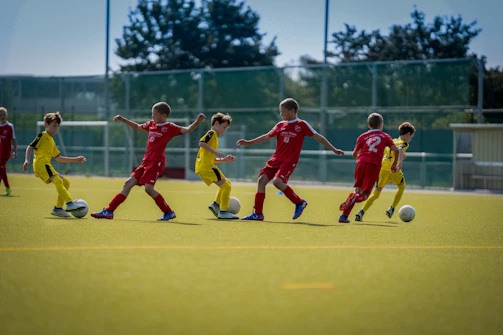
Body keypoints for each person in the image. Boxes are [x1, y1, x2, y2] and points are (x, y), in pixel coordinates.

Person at [91, 102, 205, 221]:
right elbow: (137, 127)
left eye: (155, 115)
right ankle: (109, 211)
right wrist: (123, 119)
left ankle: (169, 212)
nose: (152, 117)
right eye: (152, 114)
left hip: (156, 162)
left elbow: (187, 130)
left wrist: (197, 122)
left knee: (148, 188)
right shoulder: (151, 124)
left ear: (164, 116)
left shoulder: (170, 127)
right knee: (128, 183)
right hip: (145, 162)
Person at [236, 98, 344, 221]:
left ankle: (299, 202)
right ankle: (258, 214)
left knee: (277, 182)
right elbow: (266, 136)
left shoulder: (302, 124)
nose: (281, 114)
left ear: (292, 111)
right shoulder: (280, 125)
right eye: (280, 112)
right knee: (261, 180)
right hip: (276, 159)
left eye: (283, 112)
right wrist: (249, 142)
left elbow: (318, 137)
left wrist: (334, 149)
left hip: (289, 161)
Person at [23, 112, 87, 217]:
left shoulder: (52, 141)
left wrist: (75, 159)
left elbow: (59, 158)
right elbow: (30, 147)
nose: (56, 128)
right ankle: (70, 203)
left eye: (58, 126)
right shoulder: (42, 135)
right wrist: (26, 159)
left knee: (66, 182)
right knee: (57, 180)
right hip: (41, 164)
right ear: (46, 124)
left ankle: (58, 208)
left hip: (46, 165)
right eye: (54, 126)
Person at [338, 113, 399, 223]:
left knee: (357, 191)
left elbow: (354, 154)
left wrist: (359, 158)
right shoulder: (385, 136)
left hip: (361, 163)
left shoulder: (362, 136)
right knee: (365, 195)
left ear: (369, 125)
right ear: (380, 124)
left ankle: (343, 217)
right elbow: (396, 149)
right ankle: (354, 199)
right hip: (373, 165)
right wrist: (394, 164)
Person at [356, 122, 415, 221]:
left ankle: (361, 212)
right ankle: (392, 208)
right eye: (411, 136)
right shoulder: (404, 143)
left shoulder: (393, 140)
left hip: (383, 169)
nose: (410, 139)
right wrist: (400, 162)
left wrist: (402, 155)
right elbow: (400, 149)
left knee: (376, 193)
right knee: (402, 186)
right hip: (393, 169)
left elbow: (388, 150)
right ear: (408, 134)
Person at [196, 112, 239, 220]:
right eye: (223, 127)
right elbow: (201, 143)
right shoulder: (212, 133)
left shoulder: (214, 137)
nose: (224, 130)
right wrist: (216, 152)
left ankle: (216, 205)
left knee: (227, 183)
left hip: (204, 166)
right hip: (206, 167)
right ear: (216, 123)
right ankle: (223, 211)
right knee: (226, 186)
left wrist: (224, 160)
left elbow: (211, 159)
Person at [0, 107, 17, 196]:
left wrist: (15, 151)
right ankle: (8, 187)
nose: (2, 116)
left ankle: (7, 188)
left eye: (3, 115)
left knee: (1, 168)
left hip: (5, 153)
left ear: (6, 115)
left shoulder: (10, 126)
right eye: (0, 115)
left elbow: (14, 139)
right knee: (3, 170)